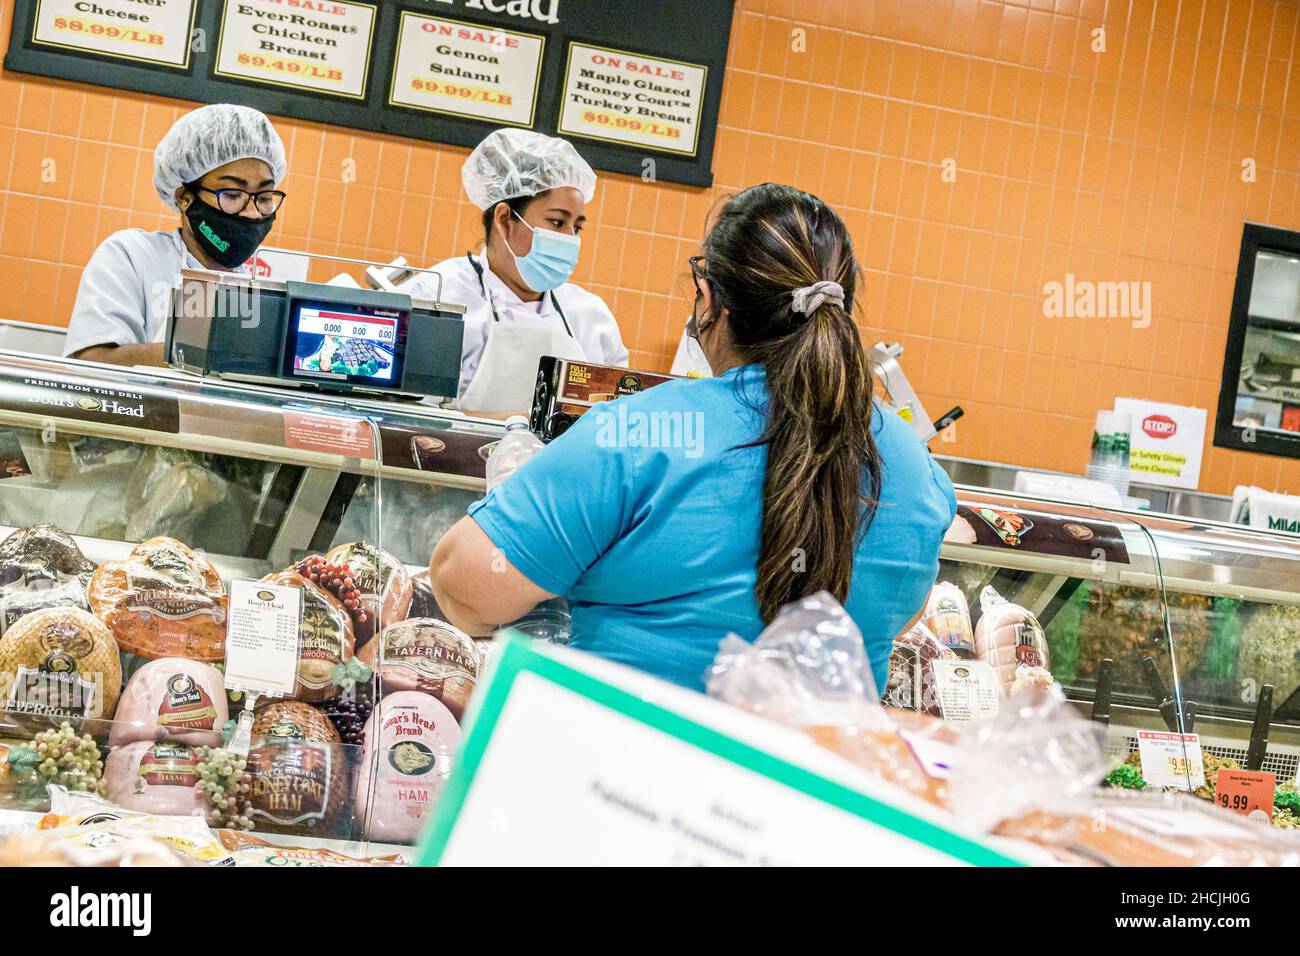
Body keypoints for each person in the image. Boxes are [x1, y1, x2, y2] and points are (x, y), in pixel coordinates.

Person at [429, 183, 956, 693]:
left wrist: (519, 496)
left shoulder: (639, 432)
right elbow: (903, 615)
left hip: (628, 773)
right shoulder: (918, 471)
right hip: (810, 779)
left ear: (709, 299)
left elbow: (464, 589)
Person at [399, 129, 627, 413]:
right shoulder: (439, 296)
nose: (571, 238)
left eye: (577, 227)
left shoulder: (591, 317)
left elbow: (612, 417)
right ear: (505, 219)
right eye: (557, 223)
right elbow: (406, 415)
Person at [64, 104, 287, 367]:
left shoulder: (267, 290)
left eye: (263, 197)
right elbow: (91, 363)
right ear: (185, 198)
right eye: (231, 195)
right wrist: (214, 355)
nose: (251, 213)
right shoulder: (132, 256)